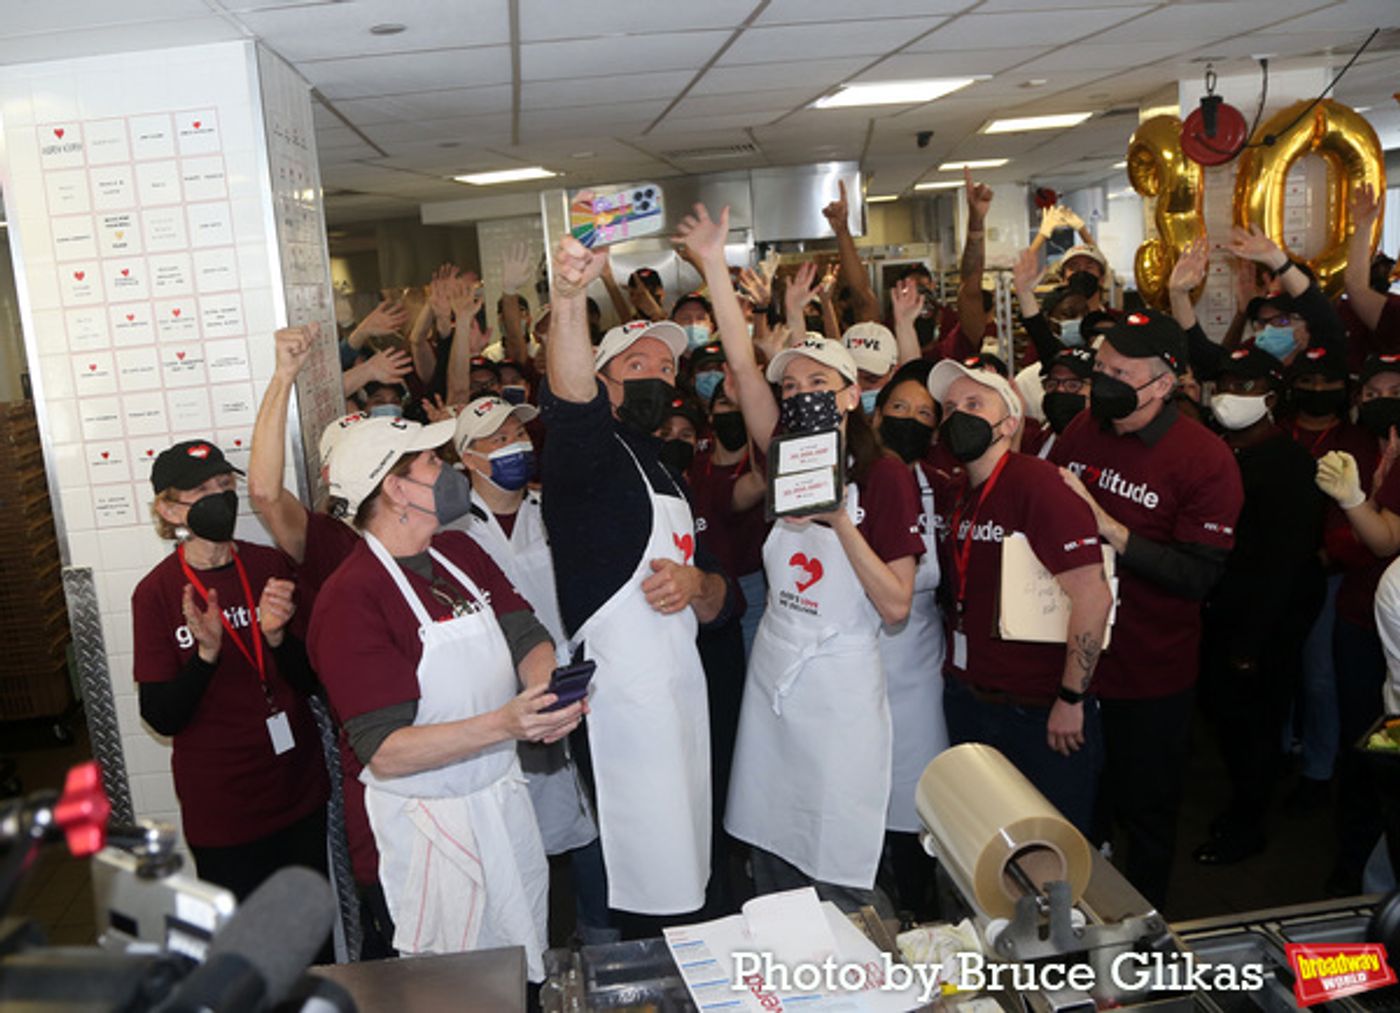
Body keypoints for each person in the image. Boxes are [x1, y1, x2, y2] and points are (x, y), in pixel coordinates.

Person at [677, 202, 923, 913]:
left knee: (838, 846)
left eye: (820, 385)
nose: (802, 396)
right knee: (772, 839)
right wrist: (714, 270)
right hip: (778, 672)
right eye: (793, 387)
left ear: (851, 395)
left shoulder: (884, 478)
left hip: (842, 682)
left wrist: (839, 520)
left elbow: (896, 603)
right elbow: (743, 368)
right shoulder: (781, 452)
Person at [306, 417, 582, 974]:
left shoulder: (460, 553)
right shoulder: (352, 598)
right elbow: (387, 749)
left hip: (500, 805)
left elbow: (526, 634)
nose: (449, 469)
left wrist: (544, 692)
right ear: (395, 487)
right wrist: (506, 725)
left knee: (518, 970)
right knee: (454, 989)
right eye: (432, 461)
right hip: (429, 829)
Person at [541, 237, 730, 931]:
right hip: (624, 704)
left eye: (665, 364)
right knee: (642, 884)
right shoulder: (584, 454)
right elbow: (568, 399)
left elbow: (722, 597)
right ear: (603, 380)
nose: (657, 373)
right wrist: (568, 298)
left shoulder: (666, 467)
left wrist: (697, 585)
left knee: (690, 871)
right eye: (637, 362)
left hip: (680, 693)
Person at [1049, 309, 1244, 910]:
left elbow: (1197, 576)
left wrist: (1112, 530)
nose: (1101, 380)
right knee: (1079, 808)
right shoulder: (1083, 428)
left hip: (1151, 669)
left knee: (1149, 812)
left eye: (1119, 371)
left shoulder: (1206, 459)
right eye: (1099, 367)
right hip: (1073, 658)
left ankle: (1147, 936)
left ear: (1163, 383)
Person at [132, 440, 329, 902]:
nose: (220, 498)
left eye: (224, 484)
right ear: (170, 509)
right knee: (246, 950)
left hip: (297, 790)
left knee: (310, 937)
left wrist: (277, 640)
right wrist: (204, 657)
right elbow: (161, 716)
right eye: (201, 490)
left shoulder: (268, 565)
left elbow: (310, 682)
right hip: (222, 809)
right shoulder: (156, 593)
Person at [448, 394, 610, 941]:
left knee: (593, 825)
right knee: (516, 844)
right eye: (498, 438)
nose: (516, 443)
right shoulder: (453, 533)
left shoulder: (552, 511)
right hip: (501, 705)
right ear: (468, 458)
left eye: (519, 432)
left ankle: (599, 941)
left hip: (575, 682)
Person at [927, 360, 1111, 835]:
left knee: (1054, 851)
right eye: (948, 409)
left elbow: (1092, 595)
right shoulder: (959, 494)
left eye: (974, 404)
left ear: (1009, 423)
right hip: (972, 699)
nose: (958, 416)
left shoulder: (1038, 484)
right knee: (988, 845)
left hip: (1039, 710)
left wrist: (1072, 696)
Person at [1194, 346, 1325, 865]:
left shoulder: (1291, 465)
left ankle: (1248, 825)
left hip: (1264, 623)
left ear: (1271, 398)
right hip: (1221, 611)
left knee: (1256, 726)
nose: (1231, 396)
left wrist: (1252, 641)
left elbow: (1283, 564)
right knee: (1227, 719)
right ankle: (1240, 806)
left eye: (1246, 387)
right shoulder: (1220, 450)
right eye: (1225, 384)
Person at [869, 359, 948, 917]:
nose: (910, 420)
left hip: (917, 664)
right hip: (857, 657)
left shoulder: (940, 485)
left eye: (925, 414)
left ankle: (919, 908)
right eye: (900, 407)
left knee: (915, 794)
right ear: (875, 415)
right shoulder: (849, 480)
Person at [1022, 348, 1094, 460]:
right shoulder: (1033, 443)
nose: (1060, 390)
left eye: (1073, 385)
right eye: (1052, 384)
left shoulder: (1109, 449)